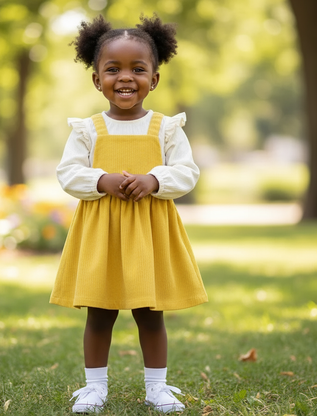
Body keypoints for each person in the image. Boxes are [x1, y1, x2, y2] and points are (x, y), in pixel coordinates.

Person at [50, 13, 208, 414]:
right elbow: (68, 173)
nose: (125, 78)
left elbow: (187, 171)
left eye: (138, 69)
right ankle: (93, 388)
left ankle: (157, 387)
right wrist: (100, 181)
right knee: (100, 312)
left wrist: (154, 181)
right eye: (113, 69)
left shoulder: (166, 129)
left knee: (149, 313)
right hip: (102, 233)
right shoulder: (87, 130)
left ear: (153, 79)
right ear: (96, 78)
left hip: (148, 233)